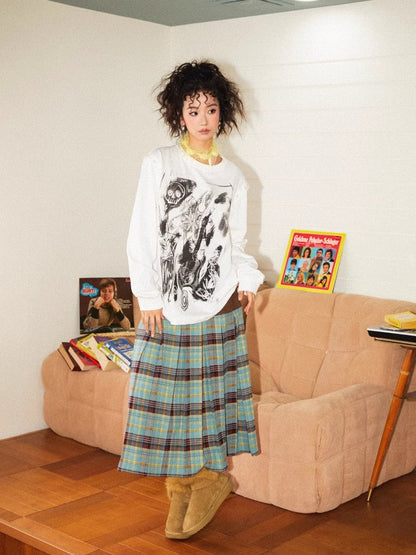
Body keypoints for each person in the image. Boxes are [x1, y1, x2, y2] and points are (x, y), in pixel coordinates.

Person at [118, 60, 264, 541]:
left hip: (221, 304)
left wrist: (248, 278)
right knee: (169, 404)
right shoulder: (160, 162)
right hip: (166, 307)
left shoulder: (234, 176)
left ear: (224, 113)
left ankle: (208, 479)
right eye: (193, 109)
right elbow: (142, 233)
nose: (203, 118)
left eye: (212, 109)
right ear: (179, 113)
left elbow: (236, 242)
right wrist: (147, 296)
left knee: (208, 405)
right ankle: (184, 484)